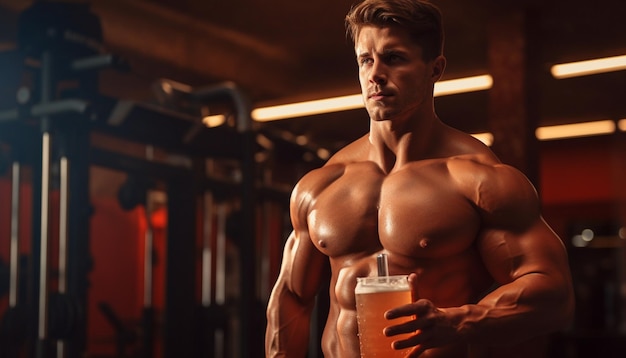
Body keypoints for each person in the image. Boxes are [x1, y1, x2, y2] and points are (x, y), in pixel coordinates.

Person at [265, 0, 575, 356]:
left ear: (435, 69)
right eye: (366, 60)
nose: (375, 74)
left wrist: (458, 322)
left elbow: (554, 293)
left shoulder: (476, 179)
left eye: (394, 58)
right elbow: (291, 298)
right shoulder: (321, 184)